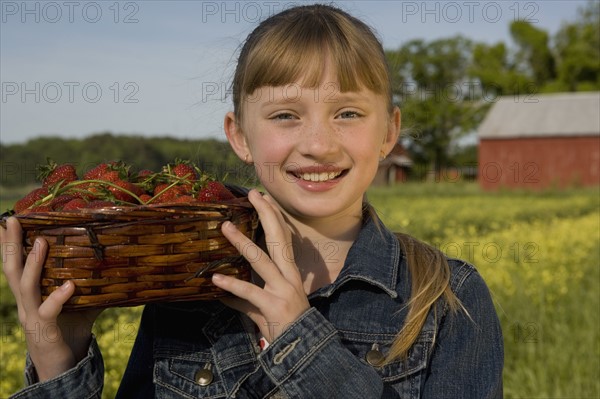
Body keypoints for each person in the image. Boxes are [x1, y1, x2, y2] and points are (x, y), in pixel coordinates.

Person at [0, 4, 503, 398]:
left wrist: (299, 340)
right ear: (239, 135)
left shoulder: (446, 300)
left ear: (389, 132)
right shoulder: (186, 289)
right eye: (285, 115)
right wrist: (57, 362)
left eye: (348, 113)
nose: (319, 144)